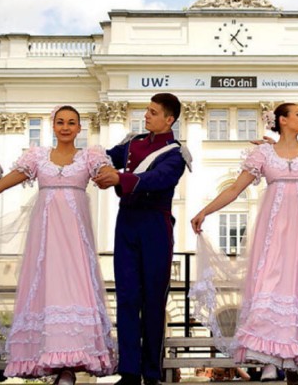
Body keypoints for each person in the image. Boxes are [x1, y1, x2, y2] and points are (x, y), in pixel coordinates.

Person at [0, 105, 117, 384]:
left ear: (79, 128)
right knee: (47, 290)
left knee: (74, 291)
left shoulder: (89, 156)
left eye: (72, 122)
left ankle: (69, 366)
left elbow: (108, 174)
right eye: (60, 122)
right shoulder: (37, 157)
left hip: (75, 239)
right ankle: (51, 361)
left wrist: (115, 176)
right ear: (53, 126)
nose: (65, 127)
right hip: (45, 238)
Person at [190, 103, 298, 385]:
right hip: (273, 232)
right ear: (282, 120)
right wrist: (204, 211)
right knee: (270, 286)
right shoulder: (263, 153)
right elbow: (235, 189)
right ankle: (269, 362)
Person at [93, 93, 190, 385]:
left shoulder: (176, 154)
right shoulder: (133, 143)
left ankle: (151, 371)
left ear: (168, 119)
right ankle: (130, 371)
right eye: (147, 110)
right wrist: (94, 162)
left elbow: (159, 179)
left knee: (152, 301)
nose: (146, 115)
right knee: (126, 298)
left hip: (155, 225)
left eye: (152, 112)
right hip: (127, 223)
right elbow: (105, 156)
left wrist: (120, 179)